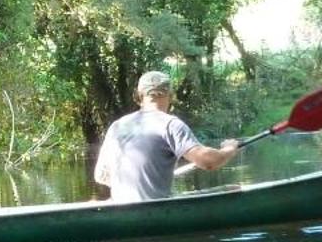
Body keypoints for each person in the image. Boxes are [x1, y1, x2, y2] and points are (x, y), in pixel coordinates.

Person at [92, 70, 242, 203]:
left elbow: (101, 176)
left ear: (138, 97)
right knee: (234, 189)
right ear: (171, 96)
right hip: (153, 209)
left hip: (119, 207)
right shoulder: (170, 125)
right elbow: (209, 162)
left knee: (230, 188)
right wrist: (228, 149)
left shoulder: (117, 126)